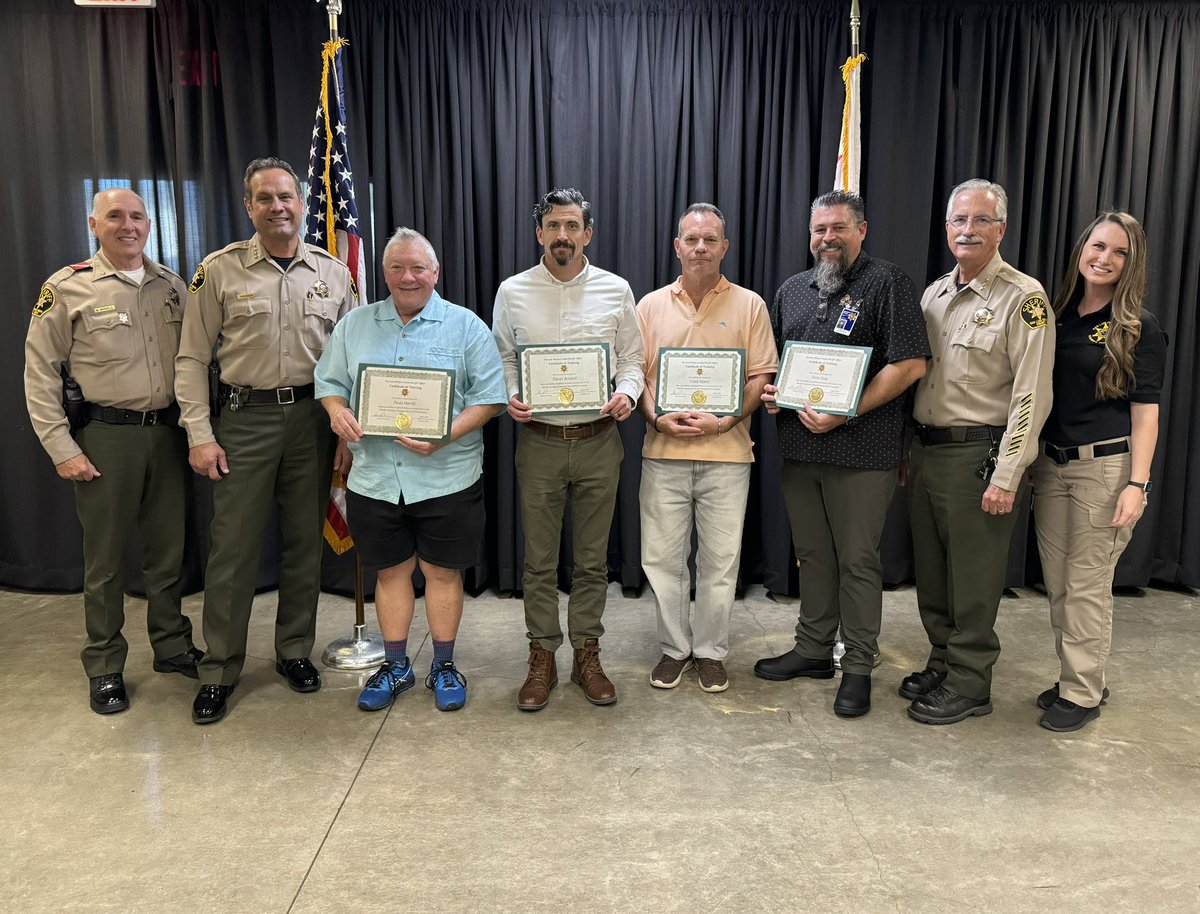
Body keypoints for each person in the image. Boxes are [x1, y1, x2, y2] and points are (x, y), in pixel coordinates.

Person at [175, 156, 354, 724]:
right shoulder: (218, 271)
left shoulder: (334, 273)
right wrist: (199, 435)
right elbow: (192, 358)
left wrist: (348, 431)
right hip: (243, 421)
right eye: (266, 199)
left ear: (302, 204)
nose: (278, 207)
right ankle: (219, 669)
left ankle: (293, 651)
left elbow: (353, 360)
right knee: (232, 550)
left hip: (312, 421)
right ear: (249, 207)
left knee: (304, 542)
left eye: (287, 197)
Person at [24, 188, 202, 714]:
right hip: (106, 437)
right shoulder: (68, 287)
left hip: (168, 434)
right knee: (104, 561)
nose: (128, 225)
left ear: (150, 224)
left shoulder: (171, 286)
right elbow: (40, 374)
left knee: (168, 551)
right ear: (93, 224)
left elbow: (194, 362)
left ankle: (171, 645)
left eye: (137, 216)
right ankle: (104, 663)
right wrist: (60, 447)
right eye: (115, 217)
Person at [753, 191, 929, 717]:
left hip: (863, 450)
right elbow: (782, 366)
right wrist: (773, 395)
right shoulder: (793, 291)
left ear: (862, 230)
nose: (826, 239)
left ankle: (857, 664)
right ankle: (812, 650)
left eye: (837, 228)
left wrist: (846, 409)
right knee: (812, 555)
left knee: (857, 561)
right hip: (801, 449)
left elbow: (910, 365)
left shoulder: (888, 283)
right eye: (818, 230)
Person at [315, 228, 507, 712]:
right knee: (391, 573)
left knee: (442, 573)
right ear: (384, 273)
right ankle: (397, 665)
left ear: (435, 273)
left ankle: (443, 664)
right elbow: (329, 383)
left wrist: (446, 432)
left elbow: (490, 398)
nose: (408, 277)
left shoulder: (467, 327)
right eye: (397, 267)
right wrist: (337, 413)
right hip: (376, 478)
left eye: (418, 268)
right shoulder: (354, 325)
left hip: (447, 477)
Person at [905, 178, 1055, 725]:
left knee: (973, 577)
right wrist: (906, 452)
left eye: (979, 220)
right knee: (934, 573)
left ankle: (971, 683)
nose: (967, 230)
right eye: (957, 221)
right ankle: (942, 661)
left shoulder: (1024, 298)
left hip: (979, 457)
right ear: (946, 229)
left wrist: (1008, 473)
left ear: (1001, 229)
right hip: (927, 453)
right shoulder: (934, 294)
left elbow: (1031, 394)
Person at [492, 187, 644, 710]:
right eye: (553, 226)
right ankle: (542, 656)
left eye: (572, 226)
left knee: (592, 560)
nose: (563, 235)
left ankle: (587, 653)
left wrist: (627, 393)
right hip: (539, 443)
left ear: (588, 233)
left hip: (599, 440)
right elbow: (505, 361)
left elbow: (632, 360)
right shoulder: (512, 291)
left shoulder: (616, 289)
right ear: (539, 233)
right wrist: (511, 395)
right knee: (537, 561)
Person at [1029, 212, 1167, 732]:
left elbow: (1146, 411)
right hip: (1051, 466)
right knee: (1060, 585)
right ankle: (1077, 675)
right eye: (1098, 246)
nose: (1104, 258)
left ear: (1131, 263)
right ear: (1082, 248)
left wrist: (1138, 483)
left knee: (1087, 585)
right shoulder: (1059, 313)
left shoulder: (1138, 327)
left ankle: (1082, 692)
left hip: (1104, 470)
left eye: (1118, 252)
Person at [636, 203, 778, 693]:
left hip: (728, 454)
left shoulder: (751, 305)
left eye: (710, 239)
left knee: (720, 561)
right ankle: (675, 649)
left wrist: (723, 421)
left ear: (724, 247)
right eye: (691, 239)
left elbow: (761, 377)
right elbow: (636, 377)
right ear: (677, 246)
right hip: (662, 452)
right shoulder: (649, 307)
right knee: (663, 559)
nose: (700, 247)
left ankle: (710, 650)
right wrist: (656, 417)